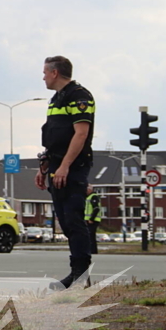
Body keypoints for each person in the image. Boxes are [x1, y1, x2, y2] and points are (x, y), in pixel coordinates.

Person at [35, 55, 95, 289]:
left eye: (45, 73)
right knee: (66, 222)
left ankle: (80, 275)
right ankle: (77, 273)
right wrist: (45, 166)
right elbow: (54, 137)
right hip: (57, 166)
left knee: (73, 219)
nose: (43, 77)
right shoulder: (56, 99)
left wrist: (65, 166)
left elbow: (81, 134)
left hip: (73, 168)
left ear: (55, 73)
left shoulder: (79, 96)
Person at [85, 184, 102, 254]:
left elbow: (96, 208)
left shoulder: (93, 197)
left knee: (91, 235)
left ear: (89, 190)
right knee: (89, 235)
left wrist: (91, 219)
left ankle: (93, 250)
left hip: (93, 220)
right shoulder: (88, 197)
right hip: (88, 220)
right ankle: (90, 250)